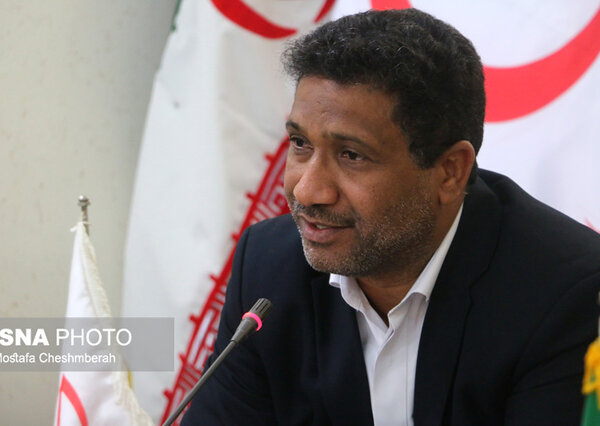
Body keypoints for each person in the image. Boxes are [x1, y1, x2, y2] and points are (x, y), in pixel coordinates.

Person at [181, 8, 600, 425]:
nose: (307, 191)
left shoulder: (566, 295)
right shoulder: (269, 266)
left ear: (450, 171)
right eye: (300, 143)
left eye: (351, 155)